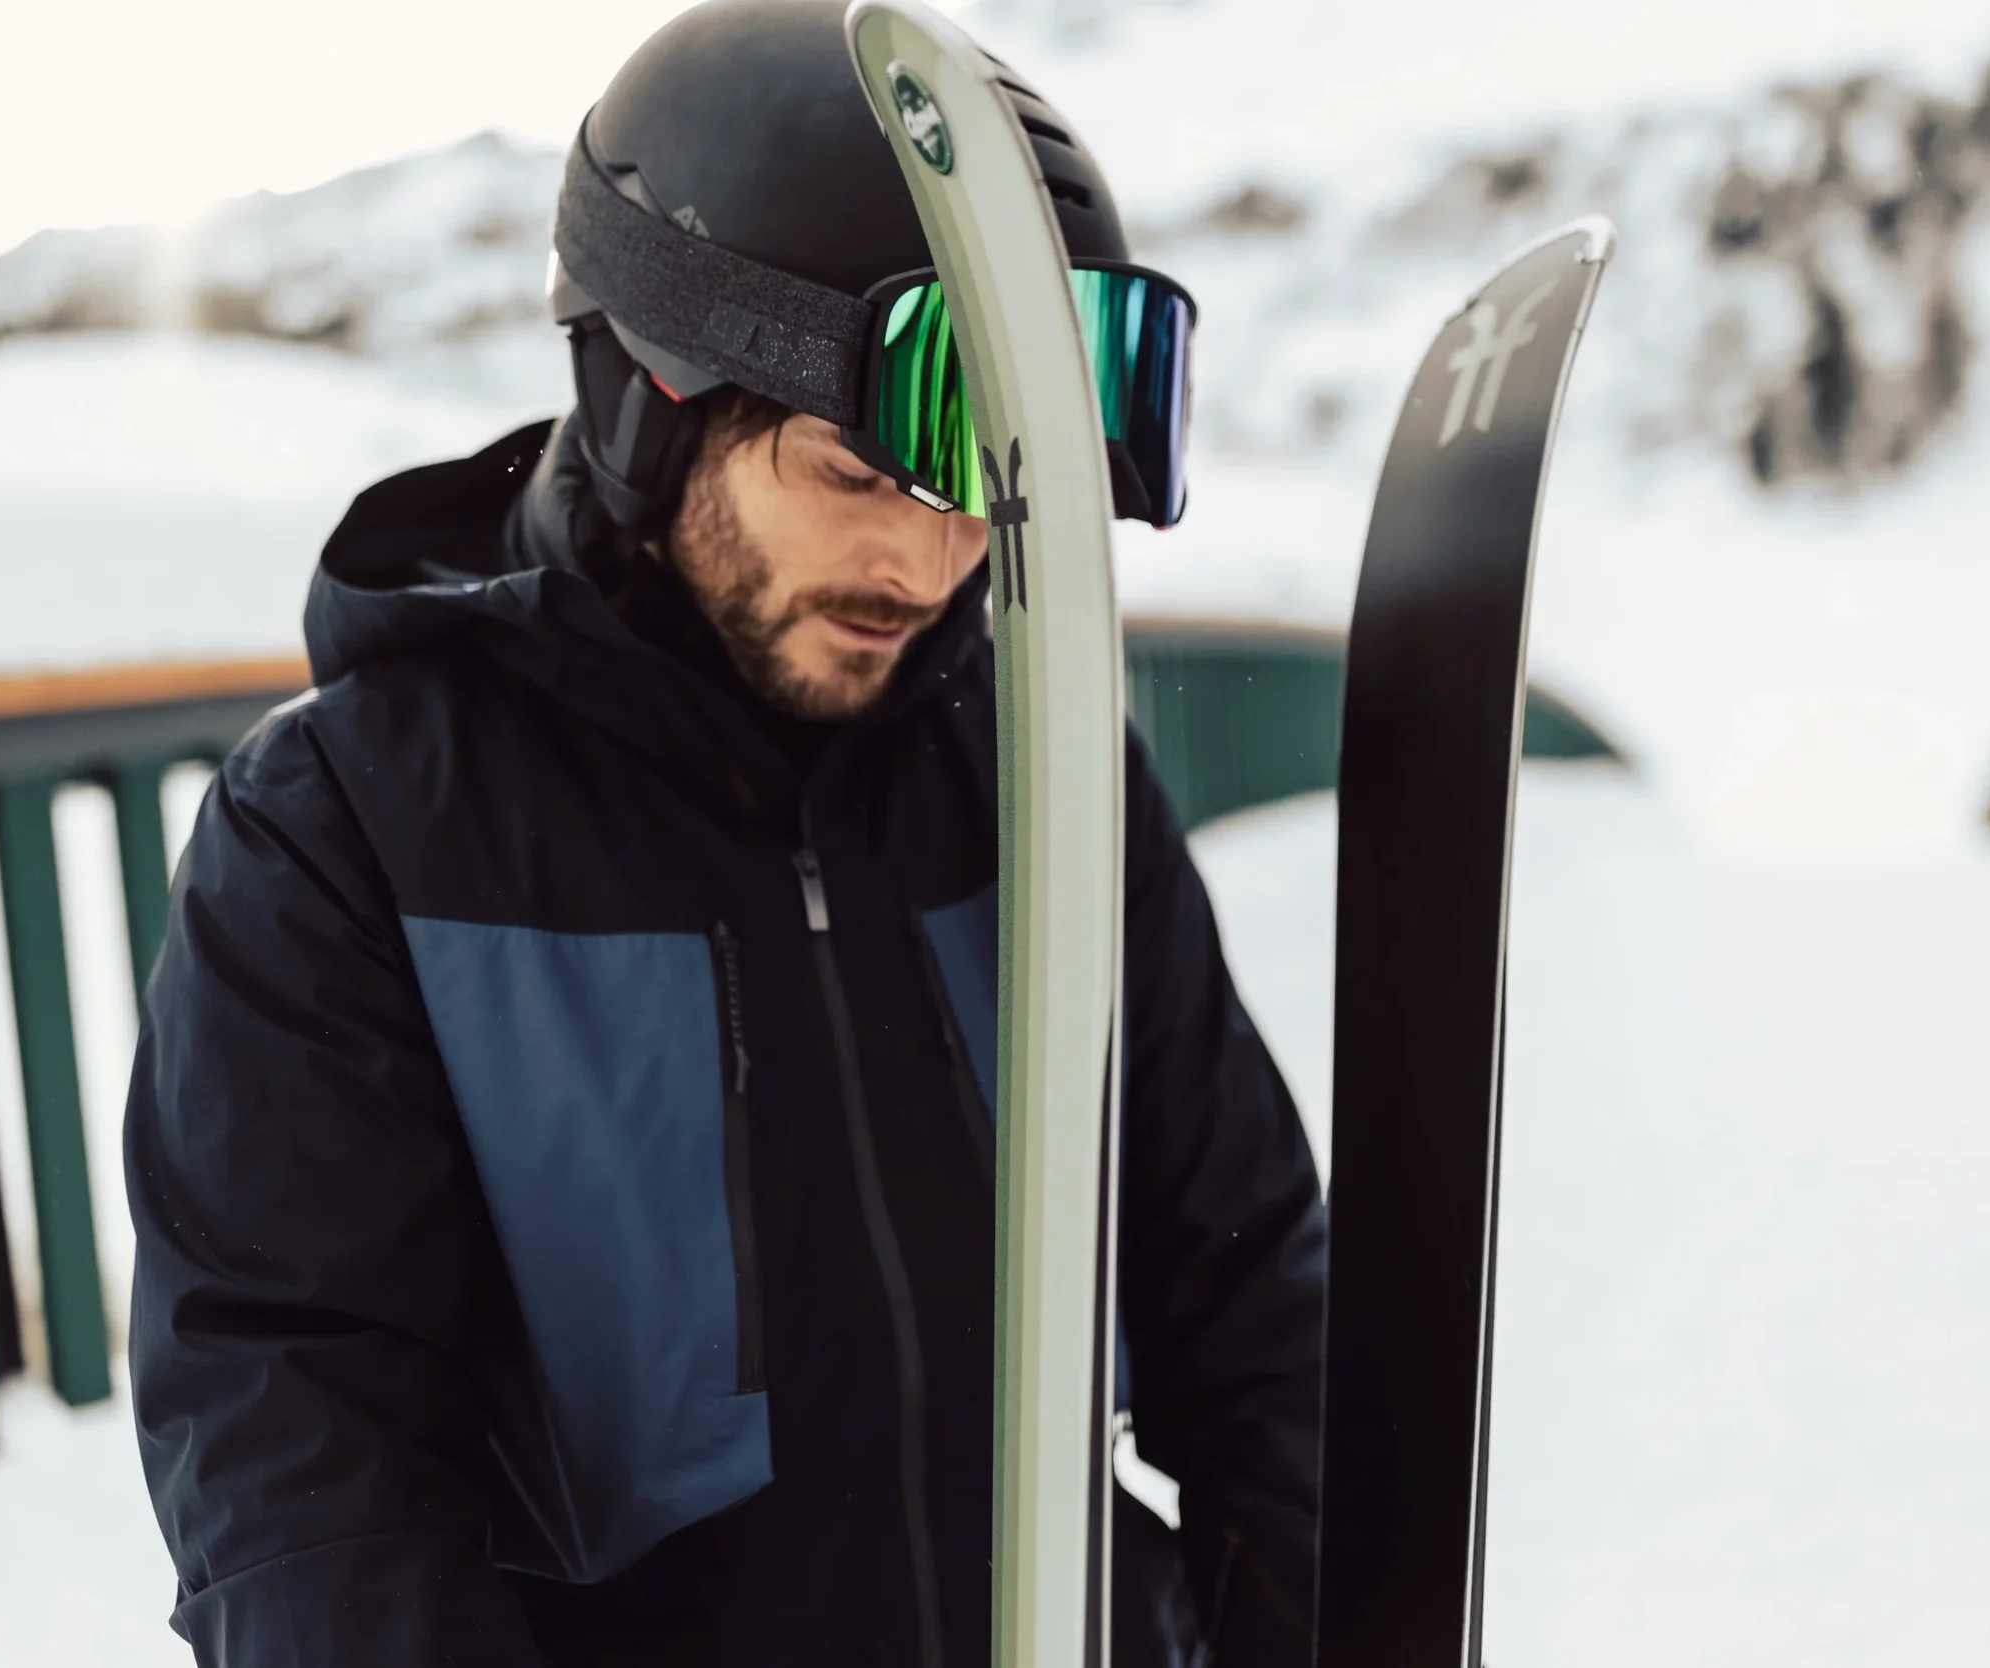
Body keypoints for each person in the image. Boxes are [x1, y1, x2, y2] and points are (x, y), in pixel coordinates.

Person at [119, 4, 1327, 1664]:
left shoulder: (1043, 775)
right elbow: (306, 1484)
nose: (934, 562)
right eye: (856, 469)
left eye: (993, 484)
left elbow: (1256, 1305)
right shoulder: (350, 837)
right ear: (646, 393)